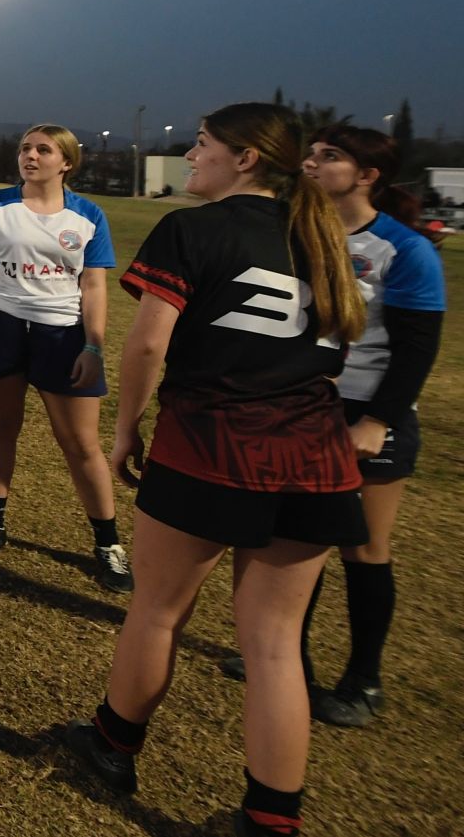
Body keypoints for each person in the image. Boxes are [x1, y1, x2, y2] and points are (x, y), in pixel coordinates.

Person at [64, 103, 366, 837]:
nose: (189, 155)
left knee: (159, 609)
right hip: (318, 458)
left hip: (212, 447)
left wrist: (127, 429)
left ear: (246, 158)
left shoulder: (192, 230)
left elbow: (145, 346)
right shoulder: (321, 237)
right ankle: (271, 817)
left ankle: (112, 745)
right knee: (273, 644)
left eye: (200, 145)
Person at [269, 126, 441, 727]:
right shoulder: (295, 232)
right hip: (302, 406)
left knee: (363, 547)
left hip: (366, 412)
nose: (312, 164)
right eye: (312, 154)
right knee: (294, 541)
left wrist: (377, 421)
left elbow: (417, 350)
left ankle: (364, 679)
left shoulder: (405, 248)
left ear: (367, 176)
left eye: (329, 157)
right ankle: (287, 660)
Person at [0, 125, 131, 591]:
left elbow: (93, 286)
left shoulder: (88, 215)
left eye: (42, 150)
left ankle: (108, 544)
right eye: (25, 148)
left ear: (66, 162)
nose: (30, 156)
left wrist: (93, 345)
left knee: (81, 444)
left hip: (62, 335)